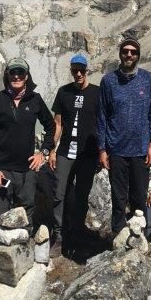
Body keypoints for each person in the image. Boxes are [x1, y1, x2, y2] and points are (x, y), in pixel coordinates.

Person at [0, 58, 55, 230]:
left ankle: (23, 251)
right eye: (13, 72)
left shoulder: (35, 100)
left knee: (26, 213)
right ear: (7, 75)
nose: (17, 76)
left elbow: (51, 126)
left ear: (27, 76)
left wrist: (43, 152)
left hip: (26, 170)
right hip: (1, 171)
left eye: (21, 72)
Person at [97, 38, 151, 236]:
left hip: (141, 149)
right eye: (125, 51)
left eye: (133, 52)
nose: (129, 55)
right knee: (118, 198)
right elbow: (102, 117)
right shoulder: (108, 81)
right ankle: (117, 237)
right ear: (120, 54)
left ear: (138, 55)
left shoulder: (148, 79)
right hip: (116, 149)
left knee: (139, 197)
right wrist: (102, 149)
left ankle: (139, 237)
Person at [45, 54, 101, 255]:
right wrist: (52, 149)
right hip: (65, 152)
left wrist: (103, 151)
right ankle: (59, 234)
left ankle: (77, 231)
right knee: (59, 193)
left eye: (81, 70)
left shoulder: (98, 93)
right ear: (71, 70)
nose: (78, 73)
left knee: (82, 194)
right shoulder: (63, 92)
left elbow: (103, 124)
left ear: (87, 71)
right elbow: (57, 124)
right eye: (74, 70)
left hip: (88, 153)